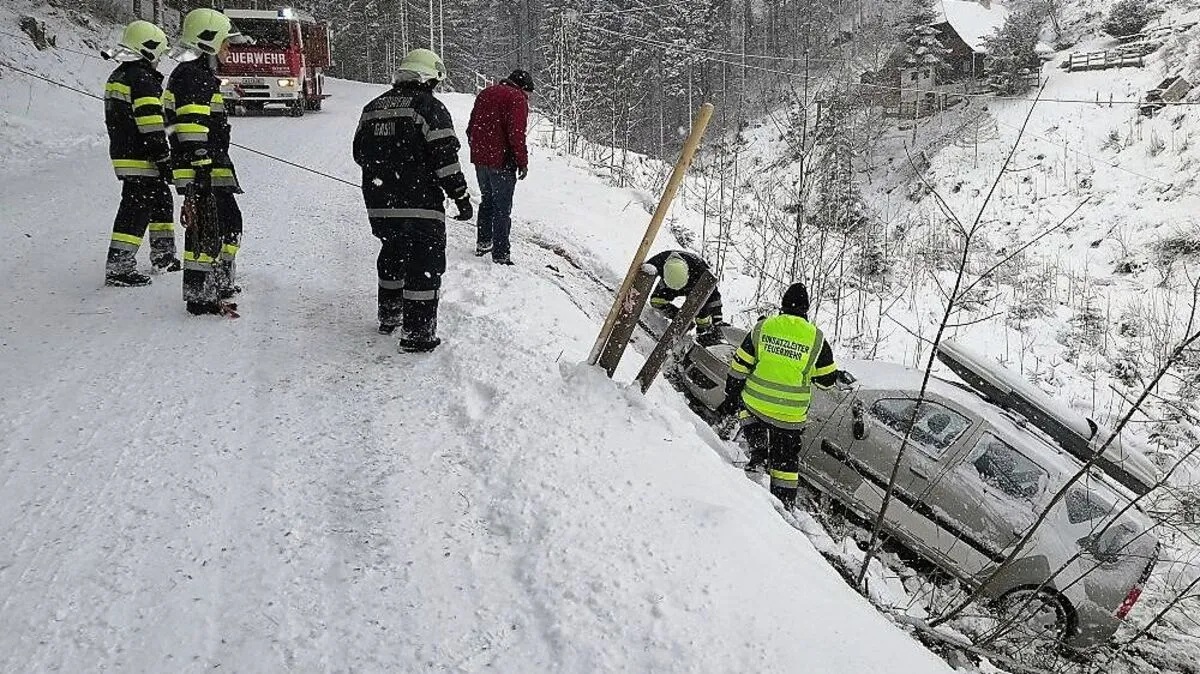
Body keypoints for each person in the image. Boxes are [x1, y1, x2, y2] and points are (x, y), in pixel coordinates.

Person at [353, 48, 471, 352]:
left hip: (379, 203)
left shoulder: (372, 108)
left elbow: (359, 153)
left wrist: (387, 172)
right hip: (421, 205)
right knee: (424, 263)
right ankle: (418, 334)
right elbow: (445, 159)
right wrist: (460, 196)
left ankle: (390, 315)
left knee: (392, 252)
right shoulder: (430, 108)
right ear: (430, 78)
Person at [718, 282, 839, 509]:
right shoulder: (816, 339)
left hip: (755, 404)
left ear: (782, 304)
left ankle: (759, 453)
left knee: (746, 410)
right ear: (806, 309)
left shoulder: (764, 327)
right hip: (789, 416)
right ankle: (783, 505)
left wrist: (731, 396)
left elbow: (739, 366)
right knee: (785, 461)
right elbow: (827, 381)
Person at [165, 8, 250, 316]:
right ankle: (202, 294)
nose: (229, 50)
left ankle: (213, 284)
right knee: (211, 229)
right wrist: (201, 165)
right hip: (205, 171)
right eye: (226, 43)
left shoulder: (195, 74)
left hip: (210, 168)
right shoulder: (194, 76)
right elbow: (190, 127)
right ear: (209, 41)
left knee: (220, 226)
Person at [102, 20, 178, 286]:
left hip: (127, 154)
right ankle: (119, 268)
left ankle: (164, 256)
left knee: (160, 202)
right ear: (149, 49)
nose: (159, 60)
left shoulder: (120, 76)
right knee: (136, 209)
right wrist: (164, 158)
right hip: (141, 158)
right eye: (158, 54)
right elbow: (151, 126)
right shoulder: (142, 79)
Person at [466, 69, 533, 265]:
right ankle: (501, 254)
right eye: (528, 93)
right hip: (502, 162)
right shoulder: (517, 98)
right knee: (502, 208)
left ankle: (483, 242)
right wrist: (523, 162)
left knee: (487, 200)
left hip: (481, 160)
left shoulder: (486, 93)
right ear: (523, 88)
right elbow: (517, 134)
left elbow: (471, 127)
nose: (528, 98)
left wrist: (479, 150)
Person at [645, 250, 726, 345]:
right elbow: (643, 274)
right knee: (656, 301)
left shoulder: (701, 271)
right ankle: (681, 321)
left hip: (695, 285)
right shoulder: (658, 261)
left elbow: (714, 297)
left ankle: (704, 335)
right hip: (669, 285)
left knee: (703, 317)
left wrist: (718, 320)